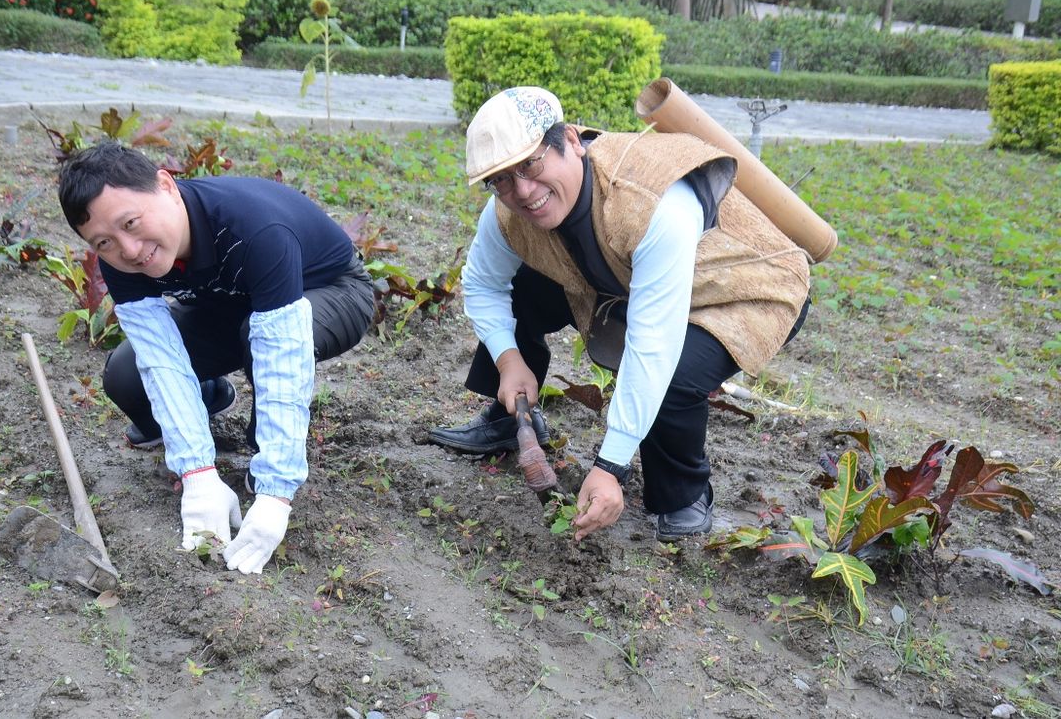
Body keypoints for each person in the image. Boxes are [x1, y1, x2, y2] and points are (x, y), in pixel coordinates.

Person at [428, 86, 811, 541]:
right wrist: (510, 362)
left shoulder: (650, 201)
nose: (523, 191)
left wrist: (610, 466)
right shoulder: (508, 213)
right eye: (502, 180)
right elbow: (485, 283)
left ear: (570, 141)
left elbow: (654, 342)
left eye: (530, 165)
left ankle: (684, 494)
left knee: (673, 374)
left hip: (743, 289)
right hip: (626, 277)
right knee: (524, 285)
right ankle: (511, 417)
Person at [57, 141, 374, 574]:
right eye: (105, 242)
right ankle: (210, 396)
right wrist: (198, 473)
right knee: (126, 375)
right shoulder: (121, 257)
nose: (129, 250)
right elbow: (159, 356)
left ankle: (264, 459)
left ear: (166, 186)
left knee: (258, 340)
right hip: (227, 303)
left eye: (131, 222)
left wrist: (276, 494)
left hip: (328, 291)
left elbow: (281, 350)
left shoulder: (251, 226)